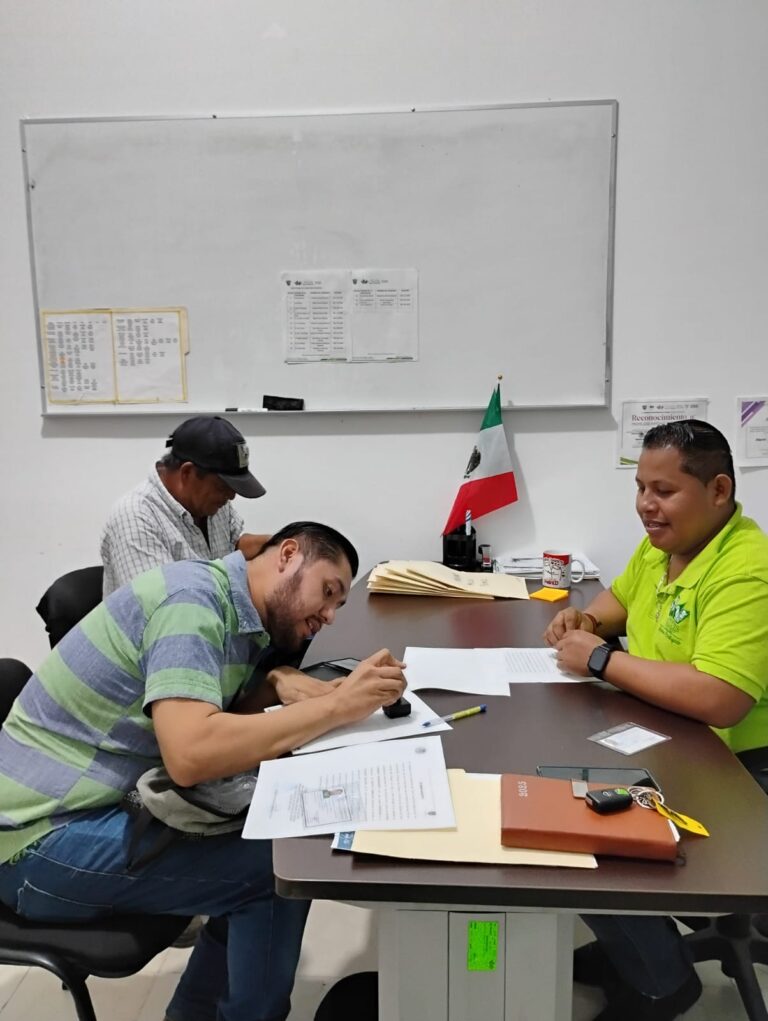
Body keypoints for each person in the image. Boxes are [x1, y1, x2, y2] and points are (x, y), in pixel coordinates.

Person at [0, 522, 407, 1021]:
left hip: (93, 810)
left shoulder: (235, 609)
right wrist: (337, 707)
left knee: (271, 838)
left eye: (338, 604)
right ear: (288, 555)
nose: (328, 615)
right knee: (274, 869)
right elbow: (191, 755)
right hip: (34, 843)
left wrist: (275, 684)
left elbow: (218, 717)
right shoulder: (190, 601)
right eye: (327, 592)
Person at [543, 420, 768, 1021]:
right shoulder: (666, 544)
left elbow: (722, 698)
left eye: (664, 491)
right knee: (550, 781)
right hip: (671, 738)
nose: (646, 504)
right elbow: (621, 598)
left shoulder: (747, 569)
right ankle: (634, 950)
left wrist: (600, 658)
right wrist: (587, 620)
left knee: (578, 821)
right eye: (641, 488)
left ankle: (662, 982)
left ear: (718, 490)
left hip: (738, 771)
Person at [100, 415, 271, 596]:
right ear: (187, 472)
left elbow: (233, 546)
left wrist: (276, 543)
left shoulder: (212, 502)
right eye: (223, 487)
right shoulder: (136, 517)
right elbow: (161, 603)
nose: (231, 496)